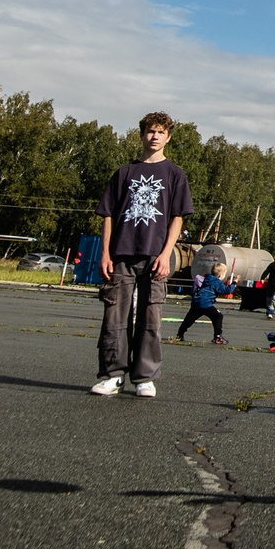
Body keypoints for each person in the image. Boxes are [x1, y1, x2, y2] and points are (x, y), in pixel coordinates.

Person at [90, 113, 190, 399]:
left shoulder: (175, 174)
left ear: (168, 137)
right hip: (121, 254)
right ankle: (112, 374)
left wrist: (166, 253)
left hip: (155, 256)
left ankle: (144, 377)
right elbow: (107, 215)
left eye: (160, 132)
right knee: (114, 317)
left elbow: (178, 217)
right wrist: (105, 253)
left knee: (151, 317)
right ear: (142, 135)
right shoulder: (124, 173)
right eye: (150, 131)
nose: (154, 137)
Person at [177, 261, 235, 344]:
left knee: (189, 319)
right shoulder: (216, 281)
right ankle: (217, 336)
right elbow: (227, 290)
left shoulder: (207, 279)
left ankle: (180, 334)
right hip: (205, 303)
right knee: (218, 316)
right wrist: (234, 283)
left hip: (197, 301)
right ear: (220, 275)